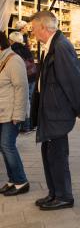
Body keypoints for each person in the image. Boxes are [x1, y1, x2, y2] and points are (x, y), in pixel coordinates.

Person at [30, 11, 80, 210]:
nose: (33, 33)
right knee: (48, 153)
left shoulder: (61, 46)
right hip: (49, 111)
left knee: (57, 155)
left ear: (44, 28)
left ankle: (64, 196)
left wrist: (79, 107)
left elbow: (73, 80)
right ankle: (54, 193)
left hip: (57, 112)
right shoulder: (51, 46)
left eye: (34, 29)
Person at [0, 31, 30, 196]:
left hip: (11, 113)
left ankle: (21, 181)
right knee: (3, 147)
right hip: (2, 111)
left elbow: (22, 88)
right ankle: (12, 180)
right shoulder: (2, 60)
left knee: (7, 145)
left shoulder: (14, 60)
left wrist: (18, 115)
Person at [9, 31, 37, 133]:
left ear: (11, 41)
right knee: (28, 101)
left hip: (23, 78)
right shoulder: (26, 49)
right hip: (32, 78)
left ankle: (24, 126)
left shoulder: (13, 51)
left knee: (21, 101)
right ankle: (28, 125)